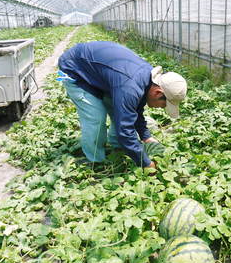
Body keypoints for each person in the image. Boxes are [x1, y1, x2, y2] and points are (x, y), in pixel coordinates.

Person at [58, 41, 187, 169]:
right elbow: (125, 131)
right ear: (158, 92)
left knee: (120, 112)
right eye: (164, 104)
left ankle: (118, 146)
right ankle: (95, 162)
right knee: (96, 118)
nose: (162, 108)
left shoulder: (147, 80)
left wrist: (146, 137)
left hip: (99, 73)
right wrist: (145, 163)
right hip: (75, 69)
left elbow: (135, 111)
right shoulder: (130, 87)